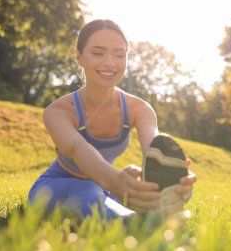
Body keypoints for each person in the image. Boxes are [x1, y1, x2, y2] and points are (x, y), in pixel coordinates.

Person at [28, 19, 197, 220]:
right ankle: (132, 223)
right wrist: (116, 181)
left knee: (106, 195)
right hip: (55, 188)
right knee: (88, 190)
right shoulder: (58, 111)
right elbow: (77, 149)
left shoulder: (140, 109)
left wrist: (176, 177)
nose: (110, 62)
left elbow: (154, 149)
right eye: (98, 53)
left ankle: (136, 219)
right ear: (79, 57)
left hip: (104, 188)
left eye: (119, 54)